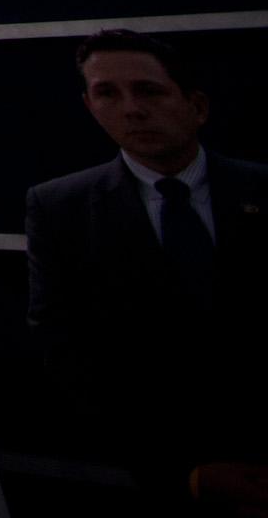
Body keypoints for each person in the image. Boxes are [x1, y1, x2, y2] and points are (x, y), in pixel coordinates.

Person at [25, 29, 267, 512]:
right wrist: (184, 474)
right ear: (90, 107)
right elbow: (66, 349)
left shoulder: (259, 188)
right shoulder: (60, 208)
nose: (131, 109)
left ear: (196, 105)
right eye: (107, 94)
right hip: (167, 476)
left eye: (148, 90)